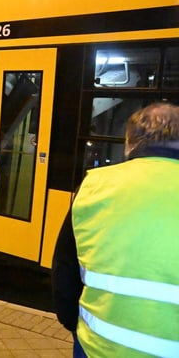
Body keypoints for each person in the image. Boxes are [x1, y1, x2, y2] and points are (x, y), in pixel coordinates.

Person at [52, 102, 179, 357]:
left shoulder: (94, 184)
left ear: (130, 142)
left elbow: (64, 270)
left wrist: (75, 325)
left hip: (96, 346)